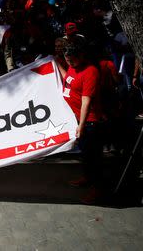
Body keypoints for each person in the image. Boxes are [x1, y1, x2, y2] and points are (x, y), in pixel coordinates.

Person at [62, 40, 106, 204]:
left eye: (72, 59)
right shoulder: (73, 67)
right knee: (85, 155)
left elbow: (86, 100)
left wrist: (81, 125)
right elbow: (68, 81)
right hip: (75, 118)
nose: (70, 63)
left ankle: (98, 190)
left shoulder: (90, 71)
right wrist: (51, 64)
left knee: (94, 157)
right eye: (67, 60)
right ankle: (87, 178)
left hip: (90, 122)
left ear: (81, 55)